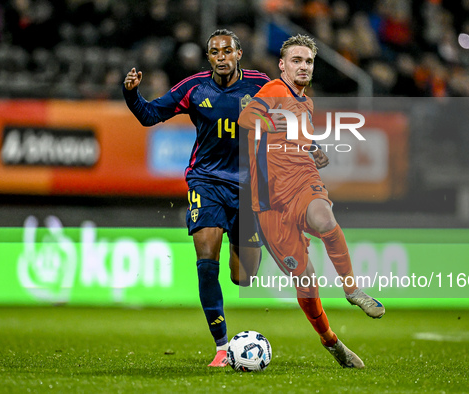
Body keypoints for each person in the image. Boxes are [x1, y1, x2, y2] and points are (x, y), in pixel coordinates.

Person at [123, 29, 270, 367]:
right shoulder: (194, 87)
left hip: (249, 188)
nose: (221, 56)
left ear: (238, 54)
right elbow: (149, 115)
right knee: (207, 257)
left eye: (227, 50)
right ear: (209, 58)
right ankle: (221, 346)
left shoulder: (261, 85)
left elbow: (291, 114)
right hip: (206, 181)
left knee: (243, 276)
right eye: (215, 52)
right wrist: (131, 95)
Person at [238, 34, 385, 369]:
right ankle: (331, 341)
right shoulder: (275, 90)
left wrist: (312, 147)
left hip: (303, 183)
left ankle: (352, 290)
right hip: (269, 204)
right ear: (283, 64)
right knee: (305, 279)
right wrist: (265, 120)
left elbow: (294, 138)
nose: (303, 67)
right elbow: (246, 119)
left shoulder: (306, 102)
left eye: (308, 61)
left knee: (325, 219)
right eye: (296, 61)